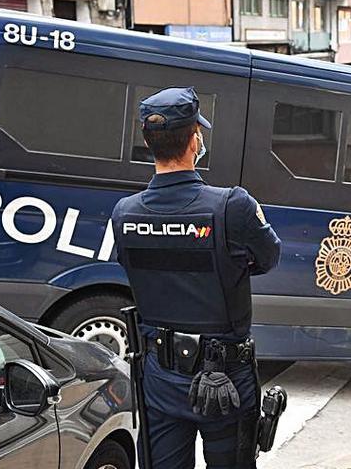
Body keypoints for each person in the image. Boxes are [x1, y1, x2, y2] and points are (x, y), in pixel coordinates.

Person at [112, 87, 281, 468]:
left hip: (159, 375)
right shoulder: (232, 206)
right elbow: (269, 258)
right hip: (225, 380)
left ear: (147, 142)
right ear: (195, 140)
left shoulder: (124, 213)